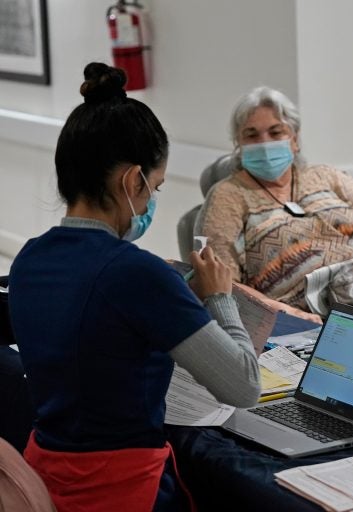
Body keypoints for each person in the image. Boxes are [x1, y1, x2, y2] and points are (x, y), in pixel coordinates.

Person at [8, 63, 262, 511]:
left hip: (48, 479)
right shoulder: (137, 273)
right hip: (121, 492)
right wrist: (220, 297)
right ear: (132, 180)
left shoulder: (30, 258)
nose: (150, 203)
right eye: (154, 187)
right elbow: (243, 387)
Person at [196, 86, 353, 362]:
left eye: (276, 131)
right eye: (252, 134)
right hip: (305, 317)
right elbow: (221, 280)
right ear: (238, 144)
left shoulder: (327, 177)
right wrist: (281, 311)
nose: (265, 142)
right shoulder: (227, 196)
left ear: (294, 139)